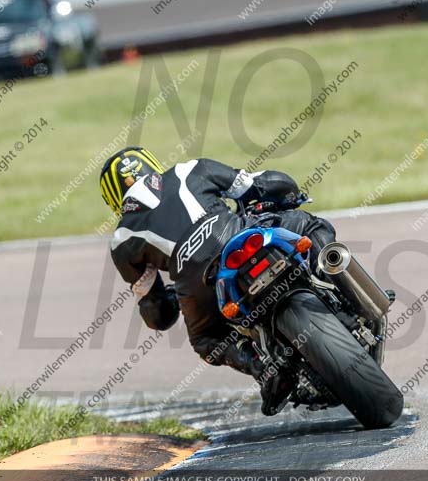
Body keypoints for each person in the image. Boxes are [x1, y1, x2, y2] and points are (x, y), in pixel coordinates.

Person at [101, 147, 336, 414]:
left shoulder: (122, 240)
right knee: (311, 225)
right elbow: (264, 184)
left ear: (113, 199)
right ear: (152, 165)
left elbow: (158, 316)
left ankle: (262, 367)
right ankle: (335, 273)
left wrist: (172, 300)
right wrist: (289, 196)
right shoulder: (189, 169)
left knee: (206, 340)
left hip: (199, 284)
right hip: (241, 235)